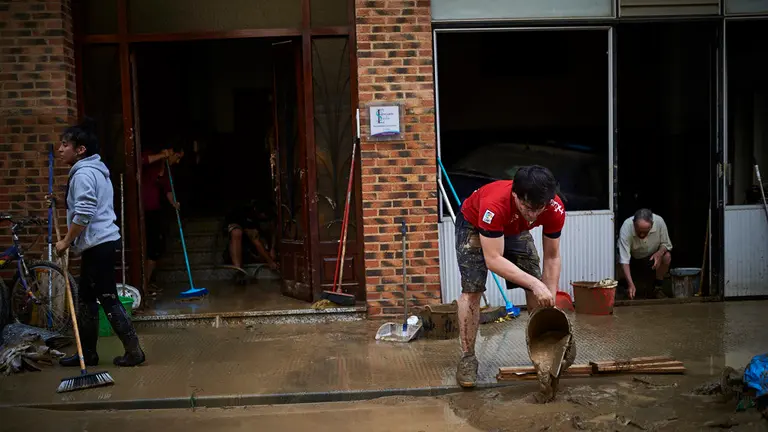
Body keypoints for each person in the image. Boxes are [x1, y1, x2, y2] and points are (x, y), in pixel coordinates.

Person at [454, 165, 566, 388]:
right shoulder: (493, 205)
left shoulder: (553, 208)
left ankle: (544, 352)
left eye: (539, 209)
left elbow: (552, 257)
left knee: (537, 285)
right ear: (515, 195)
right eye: (527, 207)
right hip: (475, 225)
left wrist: (548, 299)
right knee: (472, 289)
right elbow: (493, 259)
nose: (533, 215)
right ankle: (467, 358)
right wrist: (536, 284)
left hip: (514, 228)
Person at [55, 119, 145, 367]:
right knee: (86, 299)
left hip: (99, 245)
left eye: (65, 145)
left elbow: (84, 213)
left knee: (107, 298)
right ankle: (88, 354)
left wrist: (65, 241)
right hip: (98, 244)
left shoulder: (84, 175)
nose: (60, 149)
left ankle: (134, 352)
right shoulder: (93, 171)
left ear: (80, 149)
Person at [140, 145, 183, 294]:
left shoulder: (167, 171)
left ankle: (146, 282)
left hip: (155, 210)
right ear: (170, 152)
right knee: (149, 247)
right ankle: (143, 285)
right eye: (177, 157)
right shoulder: (152, 158)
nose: (177, 161)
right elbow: (140, 161)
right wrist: (161, 155)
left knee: (156, 248)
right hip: (142, 211)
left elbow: (167, 190)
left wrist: (174, 203)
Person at [618, 209, 673, 300]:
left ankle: (658, 287)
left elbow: (666, 244)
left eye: (646, 231)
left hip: (652, 256)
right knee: (617, 258)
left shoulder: (659, 222)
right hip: (633, 256)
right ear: (634, 224)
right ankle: (625, 287)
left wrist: (659, 253)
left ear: (652, 225)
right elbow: (624, 260)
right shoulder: (626, 227)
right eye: (639, 231)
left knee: (667, 256)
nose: (642, 235)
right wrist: (631, 284)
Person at [222, 199, 278, 282]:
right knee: (237, 233)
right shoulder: (242, 214)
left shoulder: (266, 220)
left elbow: (273, 232)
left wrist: (272, 249)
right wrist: (270, 262)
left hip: (254, 246)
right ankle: (238, 270)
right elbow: (255, 240)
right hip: (242, 243)